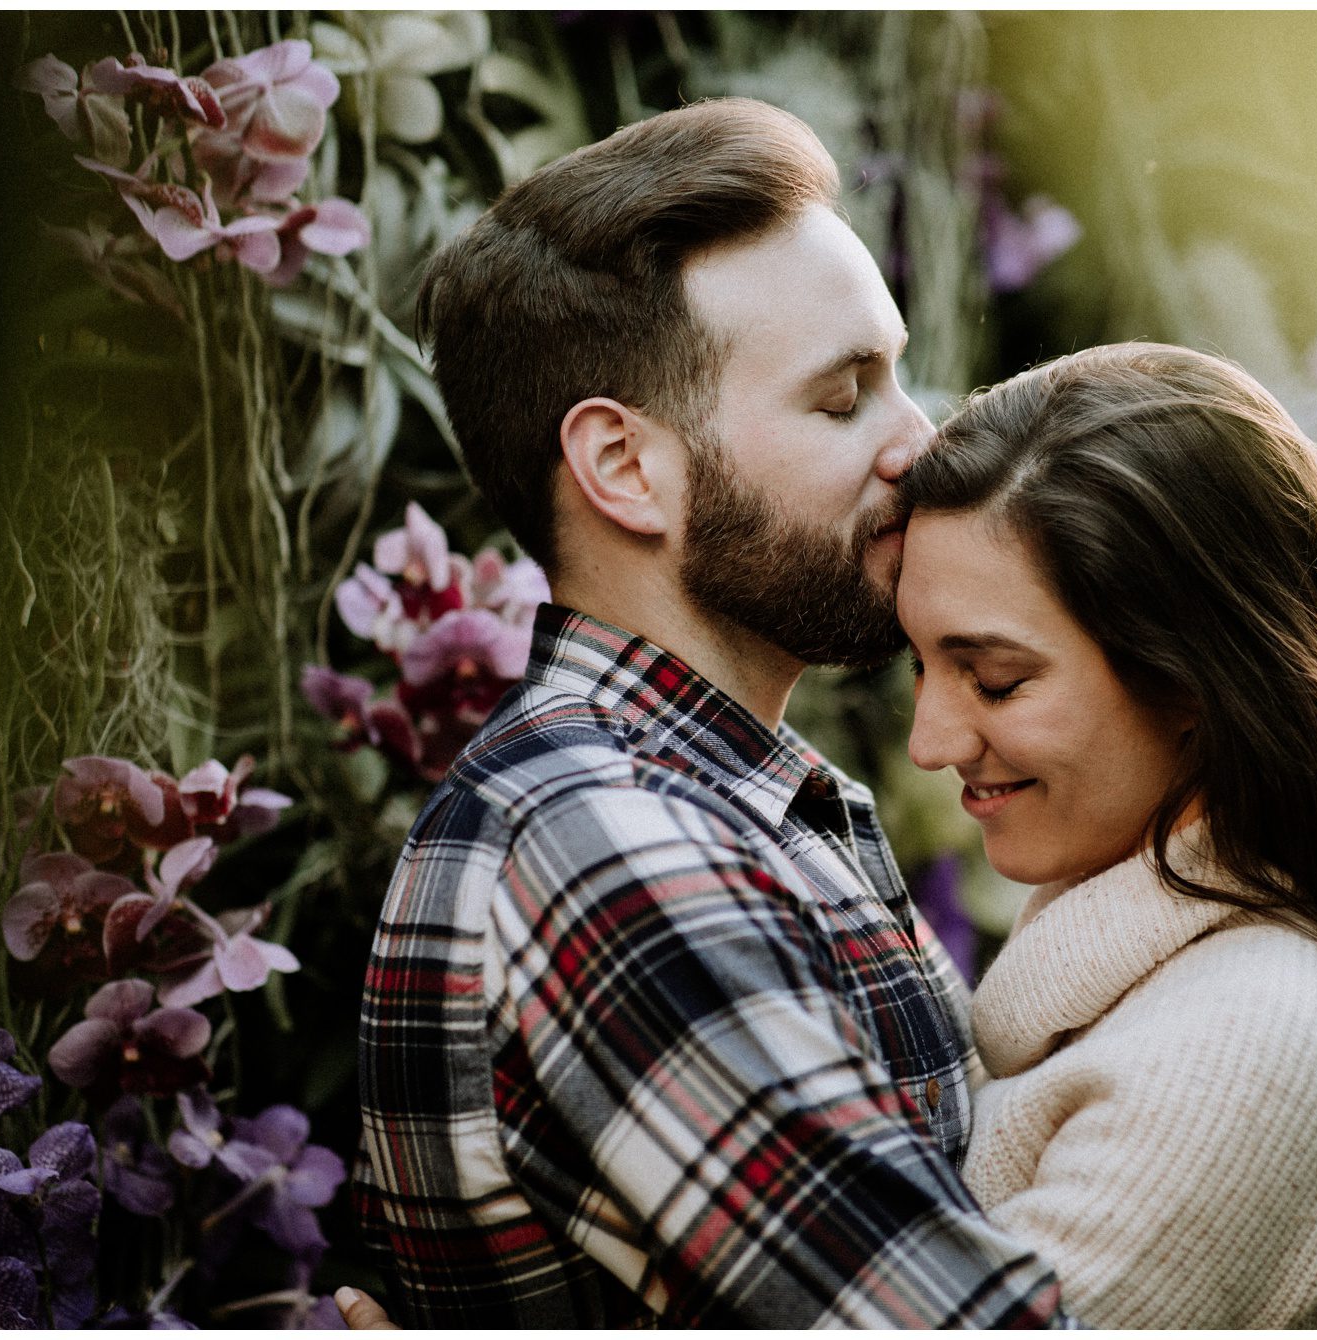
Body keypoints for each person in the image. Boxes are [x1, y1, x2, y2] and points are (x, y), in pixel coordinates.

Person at [347, 98, 1067, 1327]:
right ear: (625, 467)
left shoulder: (719, 800)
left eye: (896, 379)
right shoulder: (601, 844)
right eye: (844, 399)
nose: (921, 442)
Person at [894, 342, 1317, 1328]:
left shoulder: (1254, 1042)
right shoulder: (1130, 972)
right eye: (918, 665)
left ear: (1190, 682)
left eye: (993, 677)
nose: (928, 740)